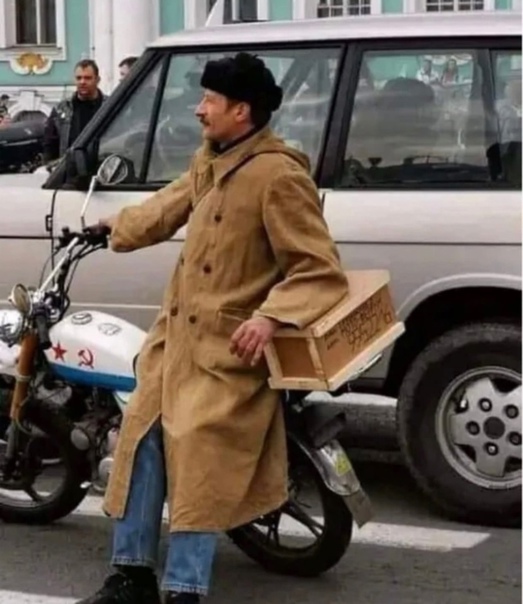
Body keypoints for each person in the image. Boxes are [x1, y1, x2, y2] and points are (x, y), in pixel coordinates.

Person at [77, 52, 349, 604]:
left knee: (196, 456)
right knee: (141, 440)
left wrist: (270, 317)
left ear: (241, 111)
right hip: (176, 346)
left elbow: (319, 270)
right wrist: (111, 227)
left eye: (209, 100)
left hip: (227, 355)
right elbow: (166, 206)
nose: (199, 109)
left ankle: (184, 590)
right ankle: (131, 576)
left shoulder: (278, 176)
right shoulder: (211, 161)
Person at [42, 59, 107, 164]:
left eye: (88, 78)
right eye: (79, 78)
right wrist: (50, 166)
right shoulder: (62, 108)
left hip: (102, 166)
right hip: (69, 168)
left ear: (97, 80)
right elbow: (49, 143)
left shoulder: (108, 106)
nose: (82, 82)